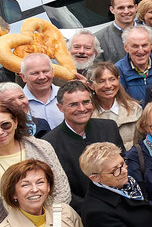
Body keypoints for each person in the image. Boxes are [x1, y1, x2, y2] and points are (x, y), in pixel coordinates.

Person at [0, 98, 73, 226]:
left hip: (53, 225)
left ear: (15, 122)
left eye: (5, 125)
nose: (0, 132)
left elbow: (62, 190)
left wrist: (51, 222)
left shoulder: (43, 148)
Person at [44, 81, 124, 210]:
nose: (82, 109)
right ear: (60, 107)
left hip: (120, 204)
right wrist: (92, 208)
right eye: (73, 104)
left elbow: (123, 165)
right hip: (81, 212)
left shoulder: (109, 127)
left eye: (86, 102)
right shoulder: (49, 144)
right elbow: (59, 189)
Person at [87, 62, 141, 147]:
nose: (108, 85)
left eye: (112, 79)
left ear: (118, 80)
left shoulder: (135, 109)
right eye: (101, 81)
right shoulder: (86, 114)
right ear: (90, 85)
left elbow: (142, 140)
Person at [116, 27, 152, 102]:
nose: (141, 51)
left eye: (144, 45)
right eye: (135, 46)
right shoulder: (118, 71)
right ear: (126, 48)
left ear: (151, 45)